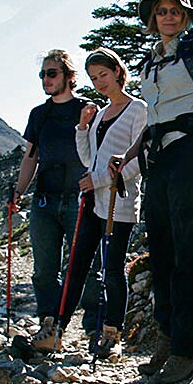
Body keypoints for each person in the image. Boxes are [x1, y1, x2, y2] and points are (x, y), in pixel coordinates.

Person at [111, 0, 193, 384]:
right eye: (161, 11)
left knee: (189, 253)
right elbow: (153, 120)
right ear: (152, 18)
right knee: (161, 251)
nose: (169, 16)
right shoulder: (149, 62)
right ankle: (168, 335)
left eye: (175, 10)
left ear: (186, 15)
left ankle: (188, 349)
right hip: (158, 159)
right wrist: (129, 157)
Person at [56, 47, 146, 360]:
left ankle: (112, 334)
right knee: (77, 263)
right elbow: (89, 160)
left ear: (118, 72)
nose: (99, 83)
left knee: (112, 268)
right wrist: (83, 128)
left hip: (118, 205)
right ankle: (57, 328)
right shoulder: (101, 116)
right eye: (94, 78)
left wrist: (100, 181)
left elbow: (138, 160)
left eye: (103, 75)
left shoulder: (138, 110)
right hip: (95, 203)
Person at [13, 49, 89, 351]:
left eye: (52, 73)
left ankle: (95, 329)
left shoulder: (87, 110)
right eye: (43, 74)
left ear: (69, 77)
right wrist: (19, 191)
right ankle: (49, 326)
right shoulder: (39, 115)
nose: (46, 79)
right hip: (44, 199)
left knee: (84, 266)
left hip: (79, 199)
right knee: (44, 268)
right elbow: (30, 158)